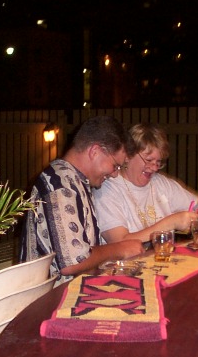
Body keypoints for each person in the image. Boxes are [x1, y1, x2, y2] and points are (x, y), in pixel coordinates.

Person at [19, 115, 145, 285]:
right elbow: (73, 263)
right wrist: (121, 249)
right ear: (95, 151)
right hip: (49, 302)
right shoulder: (60, 185)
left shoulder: (76, 181)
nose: (115, 174)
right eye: (115, 165)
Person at [94, 123, 198, 244]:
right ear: (128, 155)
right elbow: (119, 242)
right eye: (148, 160)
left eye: (158, 162)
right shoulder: (107, 188)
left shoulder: (160, 183)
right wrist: (171, 223)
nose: (154, 168)